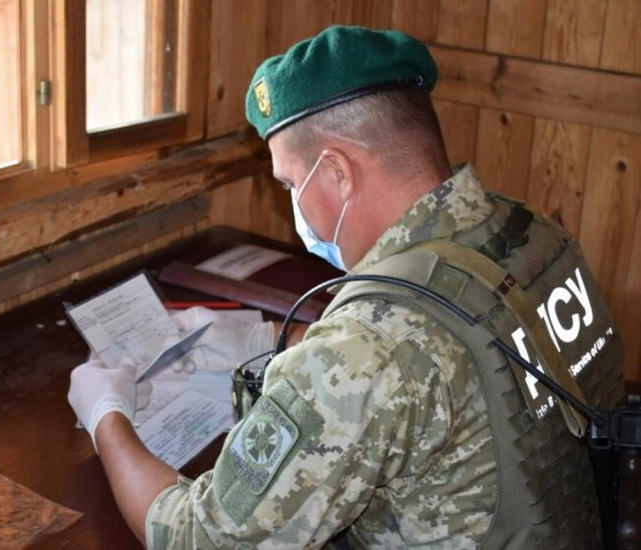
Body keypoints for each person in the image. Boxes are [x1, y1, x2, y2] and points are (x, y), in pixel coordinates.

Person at [68, 26, 624, 548]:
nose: (292, 203)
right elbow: (463, 346)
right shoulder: (532, 238)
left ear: (337, 171)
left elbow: (198, 537)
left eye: (289, 181)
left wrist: (107, 417)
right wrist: (274, 337)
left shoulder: (369, 349)